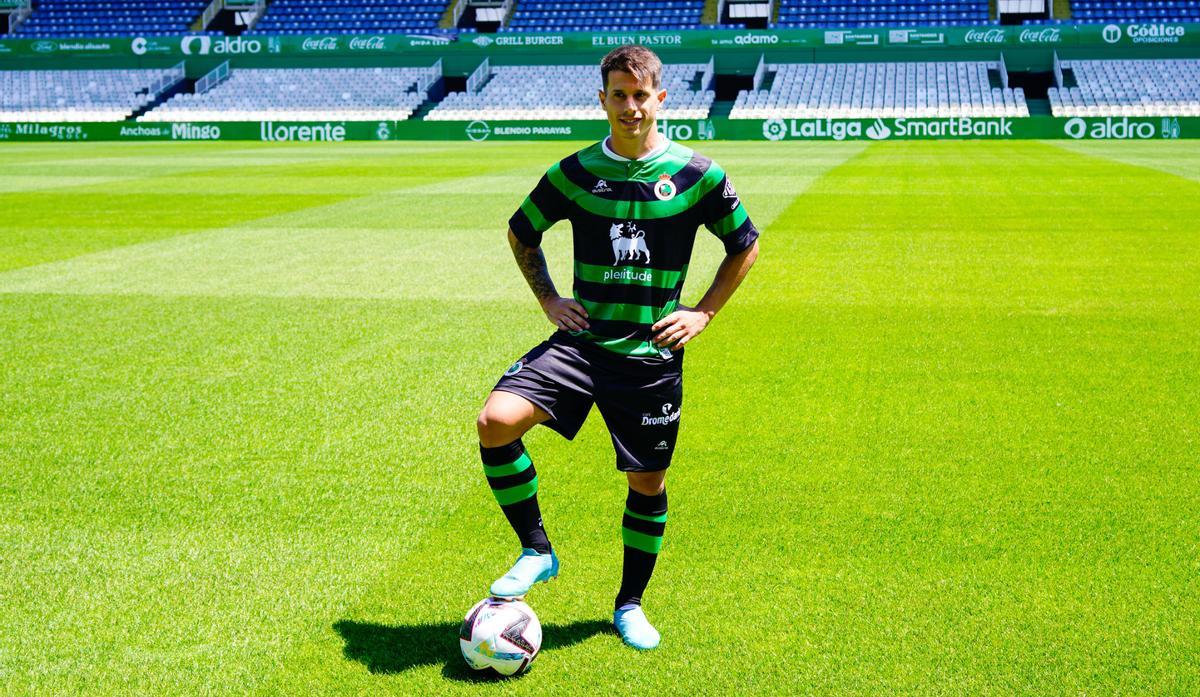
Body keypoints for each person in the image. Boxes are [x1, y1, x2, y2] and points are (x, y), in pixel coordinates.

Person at [475, 45, 760, 651]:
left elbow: (745, 245)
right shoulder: (573, 172)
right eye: (619, 95)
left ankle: (629, 604)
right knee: (496, 421)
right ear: (602, 100)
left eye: (640, 95)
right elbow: (521, 233)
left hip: (651, 358)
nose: (630, 107)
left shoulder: (699, 174)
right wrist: (550, 300)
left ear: (661, 98)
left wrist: (703, 311)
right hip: (582, 344)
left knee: (647, 485)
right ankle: (536, 550)